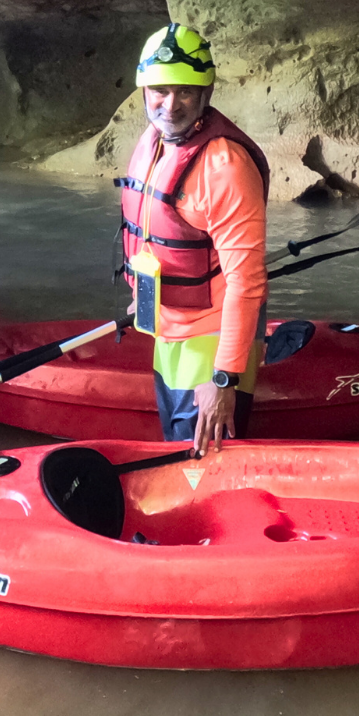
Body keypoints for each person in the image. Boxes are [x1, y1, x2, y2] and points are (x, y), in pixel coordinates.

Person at [116, 23, 268, 457]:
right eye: (160, 90)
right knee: (176, 453)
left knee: (201, 465)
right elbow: (149, 234)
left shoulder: (225, 165)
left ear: (206, 94)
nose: (171, 104)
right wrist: (143, 302)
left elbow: (247, 282)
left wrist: (224, 379)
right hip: (168, 333)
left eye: (186, 91)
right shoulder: (152, 144)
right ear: (144, 91)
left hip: (211, 343)